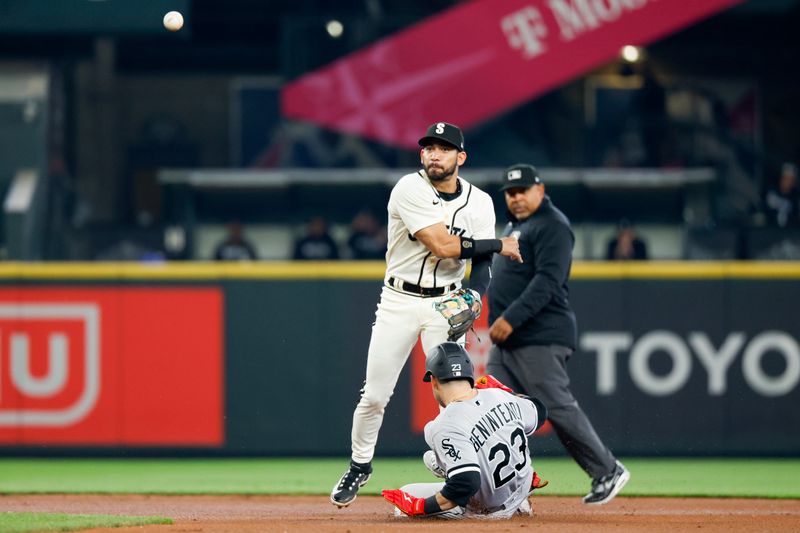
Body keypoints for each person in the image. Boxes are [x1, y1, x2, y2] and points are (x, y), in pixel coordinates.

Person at [330, 122, 522, 508]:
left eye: (444, 148)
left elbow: (481, 262)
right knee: (375, 395)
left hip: (446, 305)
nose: (434, 154)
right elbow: (443, 245)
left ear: (460, 157)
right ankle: (360, 465)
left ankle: (460, 464)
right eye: (429, 148)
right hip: (399, 300)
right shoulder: (409, 188)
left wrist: (476, 295)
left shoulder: (481, 202)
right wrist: (502, 242)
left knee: (454, 398)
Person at [487, 163, 630, 506]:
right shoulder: (516, 225)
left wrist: (510, 318)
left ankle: (608, 470)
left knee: (556, 406)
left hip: (539, 334)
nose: (516, 197)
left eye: (522, 190)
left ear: (540, 189)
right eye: (510, 192)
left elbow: (548, 282)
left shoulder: (552, 225)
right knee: (493, 410)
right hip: (507, 340)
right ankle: (510, 488)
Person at [381, 342, 548, 519]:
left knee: (408, 496)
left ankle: (489, 511)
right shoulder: (499, 395)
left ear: (434, 380)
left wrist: (421, 506)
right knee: (434, 459)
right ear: (470, 374)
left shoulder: (444, 425)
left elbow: (465, 483)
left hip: (487, 511)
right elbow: (540, 411)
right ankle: (520, 503)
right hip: (521, 487)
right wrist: (509, 393)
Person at [764, 162, 800, 228]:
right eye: (786, 179)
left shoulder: (796, 197)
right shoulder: (771, 193)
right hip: (770, 230)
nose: (789, 182)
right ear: (781, 179)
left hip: (790, 232)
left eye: (792, 180)